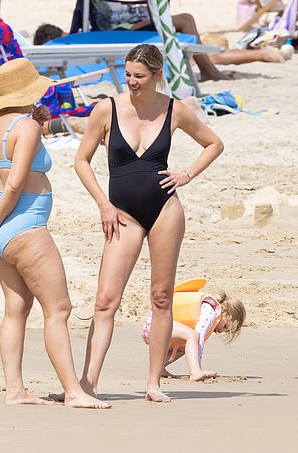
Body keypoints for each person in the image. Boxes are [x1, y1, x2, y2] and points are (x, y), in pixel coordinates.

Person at [70, 44, 224, 402]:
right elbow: (81, 160)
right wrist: (103, 204)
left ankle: (154, 383)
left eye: (139, 76)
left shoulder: (175, 110)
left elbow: (213, 144)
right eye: (127, 75)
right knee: (106, 300)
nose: (131, 82)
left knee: (161, 296)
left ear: (157, 75)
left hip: (164, 210)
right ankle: (88, 382)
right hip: (120, 213)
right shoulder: (106, 109)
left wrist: (186, 174)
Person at [0, 58, 109, 409]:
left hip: (0, 221)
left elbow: (9, 167)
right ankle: (75, 391)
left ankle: (14, 390)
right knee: (58, 309)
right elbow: (15, 183)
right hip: (22, 224)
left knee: (16, 310)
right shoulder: (26, 126)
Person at [67, 0, 287, 82]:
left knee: (189, 31)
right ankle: (211, 70)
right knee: (186, 21)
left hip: (138, 26)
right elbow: (81, 15)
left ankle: (212, 69)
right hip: (120, 31)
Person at [141, 287, 246, 381]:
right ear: (225, 311)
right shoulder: (210, 311)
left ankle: (159, 368)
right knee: (193, 336)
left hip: (157, 330)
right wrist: (198, 368)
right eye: (225, 326)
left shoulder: (213, 312)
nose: (221, 331)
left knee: (184, 346)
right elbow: (199, 334)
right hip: (155, 327)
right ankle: (195, 372)